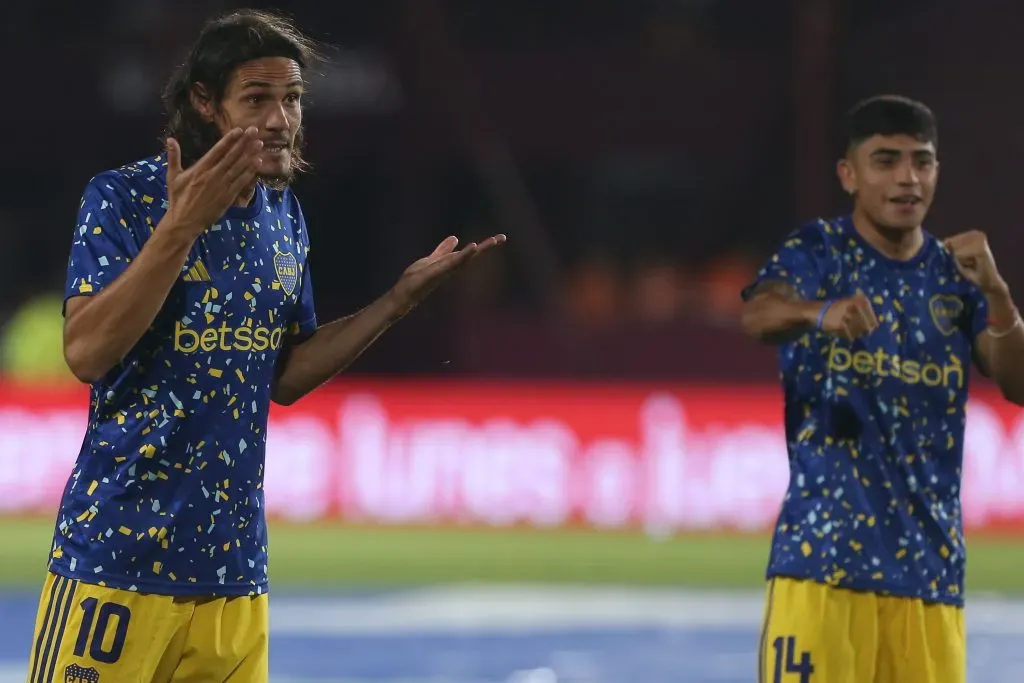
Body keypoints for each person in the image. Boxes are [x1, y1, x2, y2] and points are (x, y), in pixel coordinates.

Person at [26, 9, 505, 683]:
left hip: (234, 580)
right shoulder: (126, 199)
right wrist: (179, 229)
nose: (281, 119)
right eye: (257, 99)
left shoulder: (282, 218)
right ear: (204, 102)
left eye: (292, 98)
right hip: (115, 568)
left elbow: (282, 375)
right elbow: (87, 353)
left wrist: (396, 302)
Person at [740, 94, 1024, 683]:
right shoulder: (819, 251)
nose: (907, 178)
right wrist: (821, 313)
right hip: (823, 568)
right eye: (886, 160)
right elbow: (758, 315)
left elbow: (1016, 381)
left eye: (921, 161)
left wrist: (998, 297)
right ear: (849, 174)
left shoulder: (956, 276)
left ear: (937, 171)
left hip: (931, 577)